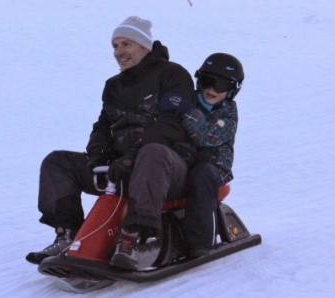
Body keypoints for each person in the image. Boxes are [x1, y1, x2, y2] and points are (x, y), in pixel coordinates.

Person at [26, 16, 197, 270]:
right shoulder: (114, 86)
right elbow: (103, 126)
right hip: (122, 169)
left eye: (126, 44)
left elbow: (169, 126)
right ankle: (68, 234)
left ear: (144, 46)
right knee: (58, 162)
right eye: (115, 46)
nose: (119, 52)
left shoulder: (173, 75)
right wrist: (98, 155)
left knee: (153, 152)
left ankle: (136, 239)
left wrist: (131, 158)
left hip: (168, 170)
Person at [158, 53, 244, 257]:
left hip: (213, 171)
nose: (211, 89)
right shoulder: (189, 99)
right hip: (185, 167)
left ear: (233, 90)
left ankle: (200, 241)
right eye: (207, 81)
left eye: (221, 85)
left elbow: (206, 136)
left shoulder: (227, 115)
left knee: (203, 173)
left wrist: (186, 110)